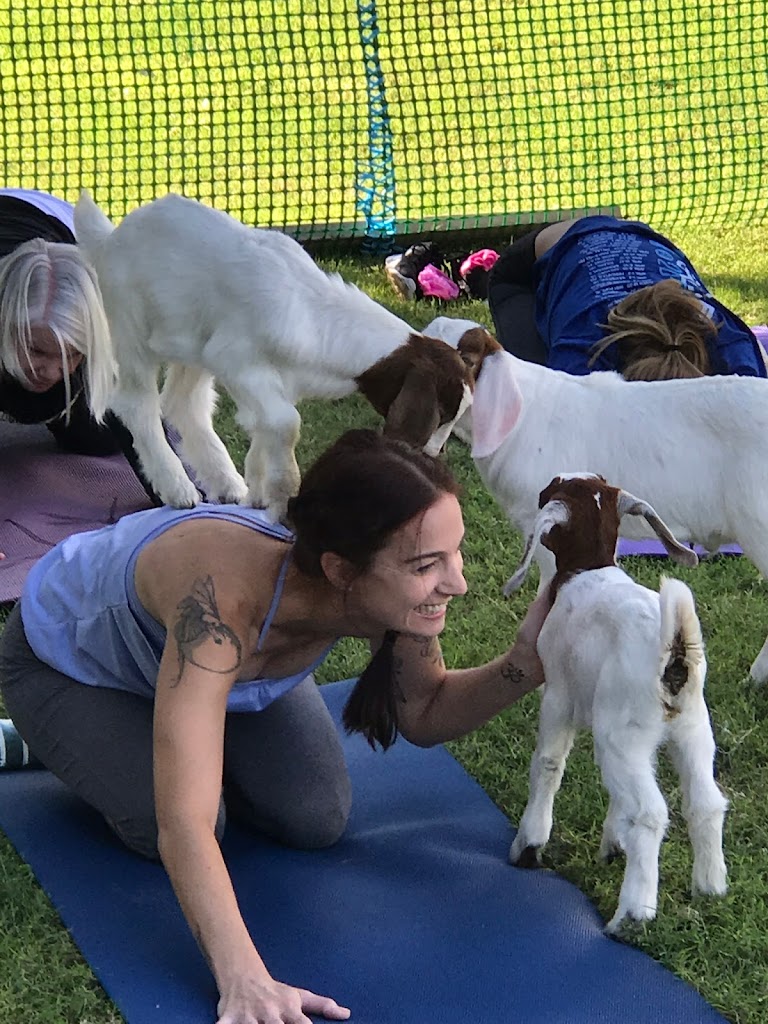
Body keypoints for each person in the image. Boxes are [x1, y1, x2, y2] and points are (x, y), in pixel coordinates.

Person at [0, 428, 550, 1024]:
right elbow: (184, 828)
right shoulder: (218, 609)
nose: (458, 582)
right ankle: (49, 736)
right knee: (181, 817)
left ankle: (181, 730)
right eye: (427, 564)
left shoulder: (387, 596)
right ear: (340, 569)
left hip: (218, 683)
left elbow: (423, 712)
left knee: (317, 816)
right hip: (65, 667)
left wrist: (526, 664)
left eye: (455, 553)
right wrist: (245, 981)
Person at [0, 188, 161, 551]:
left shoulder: (110, 297)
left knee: (97, 437)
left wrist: (183, 510)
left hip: (47, 220)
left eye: (72, 354)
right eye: (37, 350)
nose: (53, 371)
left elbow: (139, 423)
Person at [486, 213, 768, 380]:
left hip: (637, 238)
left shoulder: (732, 344)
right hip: (529, 267)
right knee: (536, 380)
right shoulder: (583, 347)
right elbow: (562, 430)